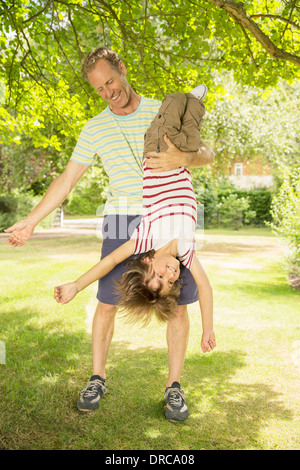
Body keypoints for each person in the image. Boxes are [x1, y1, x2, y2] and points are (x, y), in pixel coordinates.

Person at [5, 47, 215, 421]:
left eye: (111, 81)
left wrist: (185, 159)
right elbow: (67, 180)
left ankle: (174, 387)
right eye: (99, 89)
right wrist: (33, 219)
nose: (108, 92)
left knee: (180, 304)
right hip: (122, 218)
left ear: (122, 68)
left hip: (171, 211)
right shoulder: (94, 128)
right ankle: (97, 377)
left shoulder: (161, 108)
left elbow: (208, 153)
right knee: (107, 301)